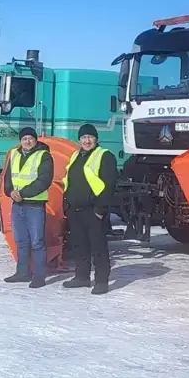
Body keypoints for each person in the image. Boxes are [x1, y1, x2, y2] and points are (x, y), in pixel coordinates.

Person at [62, 123, 119, 294]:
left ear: (96, 139)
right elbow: (69, 180)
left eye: (90, 137)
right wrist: (67, 205)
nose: (87, 141)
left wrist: (100, 209)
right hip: (75, 209)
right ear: (79, 140)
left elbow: (109, 185)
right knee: (80, 245)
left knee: (98, 247)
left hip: (94, 210)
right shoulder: (75, 156)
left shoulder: (105, 156)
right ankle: (82, 277)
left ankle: (101, 281)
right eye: (83, 137)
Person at [1, 126, 54, 288]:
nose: (27, 141)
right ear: (20, 141)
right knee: (21, 240)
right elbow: (8, 178)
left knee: (37, 242)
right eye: (24, 139)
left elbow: (44, 181)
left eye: (30, 138)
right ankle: (22, 273)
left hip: (35, 206)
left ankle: (39, 276)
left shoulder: (44, 156)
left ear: (36, 140)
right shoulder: (14, 154)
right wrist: (10, 192)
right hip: (17, 205)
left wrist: (22, 193)